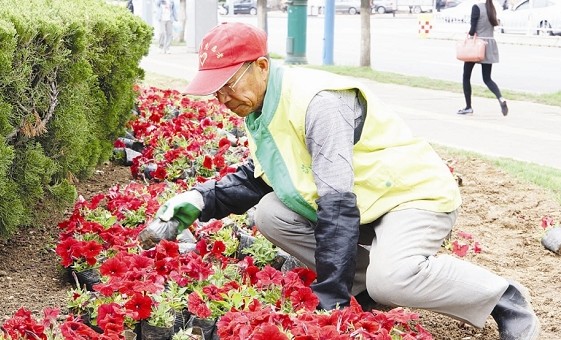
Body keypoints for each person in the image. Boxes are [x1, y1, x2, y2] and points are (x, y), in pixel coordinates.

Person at [144, 22, 540, 340]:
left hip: (409, 196)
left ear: (261, 66)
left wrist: (330, 299)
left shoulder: (318, 102)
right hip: (366, 200)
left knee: (394, 279)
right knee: (269, 214)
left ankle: (505, 298)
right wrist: (200, 197)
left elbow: (336, 203)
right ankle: (366, 291)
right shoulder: (261, 106)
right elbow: (262, 176)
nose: (223, 98)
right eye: (216, 90)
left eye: (229, 83)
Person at [458, 0, 508, 116]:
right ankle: (500, 98)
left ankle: (468, 107)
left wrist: (469, 32)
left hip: (477, 46)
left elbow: (472, 30)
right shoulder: (491, 7)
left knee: (466, 76)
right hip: (489, 45)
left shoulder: (476, 7)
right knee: (487, 78)